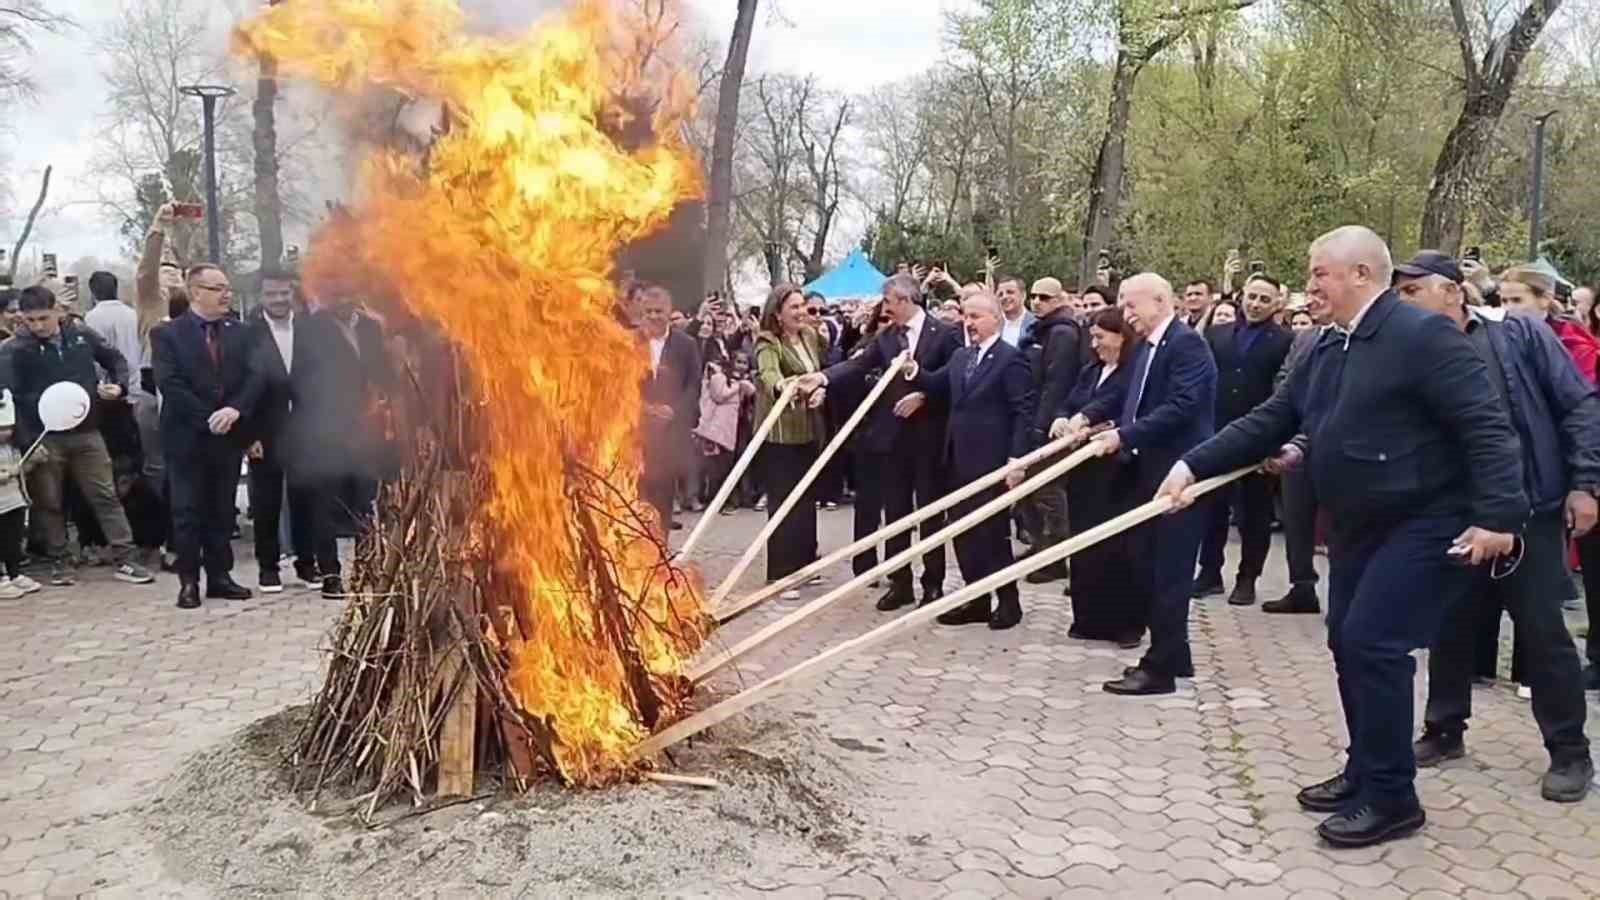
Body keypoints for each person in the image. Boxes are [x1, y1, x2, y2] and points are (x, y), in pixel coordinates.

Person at [1161, 226, 1527, 849]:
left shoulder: (1422, 335)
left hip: (1427, 518)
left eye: (1318, 274)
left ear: (1361, 274)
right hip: (1360, 522)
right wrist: (1194, 464)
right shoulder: (1330, 347)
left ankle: (1392, 798)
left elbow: (1486, 427)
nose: (1308, 286)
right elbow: (1274, 417)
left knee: (1374, 642)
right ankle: (1367, 768)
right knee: (1346, 641)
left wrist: (1499, 518)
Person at [1392, 251, 1595, 801]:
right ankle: (1444, 728)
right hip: (1453, 513)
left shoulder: (1519, 338)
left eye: (1414, 292)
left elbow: (1579, 405)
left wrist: (1585, 483)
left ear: (1454, 292)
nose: (1403, 303)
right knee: (1450, 626)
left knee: (1542, 630)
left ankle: (1571, 751)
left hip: (1529, 507)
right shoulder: (1410, 353)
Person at [1052, 272, 1217, 696]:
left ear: (1160, 301)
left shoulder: (1186, 345)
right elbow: (1123, 395)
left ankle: (1159, 668)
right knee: (1148, 564)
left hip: (1178, 474)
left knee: (1168, 571)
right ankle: (1175, 654)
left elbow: (1182, 406)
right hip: (1145, 472)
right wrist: (1086, 416)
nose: (1125, 315)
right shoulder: (1146, 346)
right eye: (1122, 306)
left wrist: (1125, 435)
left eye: (1130, 306)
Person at [797, 274, 963, 610]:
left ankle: (932, 584)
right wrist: (823, 377)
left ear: (904, 300)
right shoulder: (888, 337)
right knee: (896, 510)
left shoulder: (945, 334)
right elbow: (858, 364)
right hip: (893, 438)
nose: (884, 308)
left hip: (930, 435)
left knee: (930, 511)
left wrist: (924, 397)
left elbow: (953, 381)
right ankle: (899, 582)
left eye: (888, 302)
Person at [903, 291, 1033, 629]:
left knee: (992, 534)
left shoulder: (1010, 358)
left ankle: (1008, 601)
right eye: (965, 316)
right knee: (963, 533)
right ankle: (975, 599)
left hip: (991, 461)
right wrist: (914, 370)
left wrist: (1016, 459)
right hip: (956, 459)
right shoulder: (961, 356)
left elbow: (1022, 411)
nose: (968, 323)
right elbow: (937, 384)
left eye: (975, 316)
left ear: (995, 319)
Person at [10, 285, 155, 587]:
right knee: (49, 502)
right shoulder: (14, 350)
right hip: (44, 436)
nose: (37, 326)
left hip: (87, 431)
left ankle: (125, 557)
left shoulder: (82, 336)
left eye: (43, 318)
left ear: (58, 312)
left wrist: (118, 386)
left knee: (105, 495)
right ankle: (59, 560)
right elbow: (10, 397)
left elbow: (115, 360)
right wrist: (26, 440)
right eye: (30, 320)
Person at [151, 265, 263, 609]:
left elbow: (255, 377)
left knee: (221, 511)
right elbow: (170, 384)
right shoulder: (167, 334)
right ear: (195, 291)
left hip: (228, 437)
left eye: (227, 287)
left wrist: (236, 411)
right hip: (187, 437)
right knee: (187, 512)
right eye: (217, 288)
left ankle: (220, 577)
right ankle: (189, 581)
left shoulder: (240, 332)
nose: (226, 294)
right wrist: (208, 418)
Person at [1195, 274, 1292, 606]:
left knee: (1254, 514)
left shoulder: (1285, 341)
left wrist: (1277, 439)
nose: (1256, 304)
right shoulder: (1217, 335)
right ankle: (1209, 574)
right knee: (1211, 508)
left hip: (1259, 438)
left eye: (1265, 300)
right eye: (1252, 297)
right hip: (1218, 434)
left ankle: (1247, 578)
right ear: (1242, 297)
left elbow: (1285, 392)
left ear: (1277, 304)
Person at [1058, 309, 1140, 645]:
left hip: (1116, 468)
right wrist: (1063, 418)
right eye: (1092, 338)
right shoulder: (1091, 369)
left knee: (1118, 547)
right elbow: (1071, 399)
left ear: (1121, 337)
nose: (1095, 345)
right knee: (1084, 542)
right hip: (1084, 469)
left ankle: (1125, 624)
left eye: (1101, 337)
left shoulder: (1132, 372)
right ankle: (1089, 617)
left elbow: (1113, 403)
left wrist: (1084, 418)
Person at [242, 268, 316, 593]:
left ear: (292, 293)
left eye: (284, 293)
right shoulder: (248, 335)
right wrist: (248, 435)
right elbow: (240, 386)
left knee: (305, 499)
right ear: (261, 297)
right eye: (271, 294)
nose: (279, 299)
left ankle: (306, 564)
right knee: (266, 502)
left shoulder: (308, 329)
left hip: (303, 430)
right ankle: (268, 568)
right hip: (264, 432)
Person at [752, 285, 827, 596]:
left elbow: (819, 374)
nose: (800, 312)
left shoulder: (810, 337)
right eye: (793, 307)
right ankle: (780, 574)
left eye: (802, 306)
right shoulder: (767, 341)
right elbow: (768, 373)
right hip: (779, 434)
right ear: (777, 314)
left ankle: (804, 564)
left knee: (806, 500)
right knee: (783, 501)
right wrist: (784, 386)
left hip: (808, 429)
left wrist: (820, 391)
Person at [1263, 288, 1335, 615]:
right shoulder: (1305, 339)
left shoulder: (1366, 343)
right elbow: (1284, 377)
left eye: (1320, 294)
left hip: (1335, 447)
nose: (1311, 302)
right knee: (1296, 518)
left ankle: (1345, 600)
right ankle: (1302, 587)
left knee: (1338, 525)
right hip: (1297, 440)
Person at [1017, 276, 1086, 582]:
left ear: (1059, 300)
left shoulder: (1062, 333)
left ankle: (1056, 555)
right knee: (1031, 491)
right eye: (1033, 296)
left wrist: (1041, 425)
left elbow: (1056, 383)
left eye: (1044, 297)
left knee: (1048, 491)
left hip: (1049, 422)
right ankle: (1041, 547)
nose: (1037, 302)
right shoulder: (1042, 330)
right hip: (1035, 416)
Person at [635, 286, 701, 533]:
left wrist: (674, 411)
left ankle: (660, 553)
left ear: (670, 312)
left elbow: (694, 385)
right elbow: (618, 383)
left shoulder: (686, 345)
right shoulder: (629, 342)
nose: (653, 316)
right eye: (648, 311)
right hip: (637, 434)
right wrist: (642, 408)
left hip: (670, 436)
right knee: (636, 499)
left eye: (659, 311)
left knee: (663, 499)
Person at [0, 389, 43, 597]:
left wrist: (30, 462)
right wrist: (5, 473)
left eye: (8, 428)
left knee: (13, 538)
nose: (5, 433)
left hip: (14, 500)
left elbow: (20, 469)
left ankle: (14, 573)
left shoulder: (13, 447)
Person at [995, 275, 1037, 347]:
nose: (1004, 297)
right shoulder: (994, 325)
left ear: (1023, 295)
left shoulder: (1036, 324)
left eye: (1010, 292)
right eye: (1000, 294)